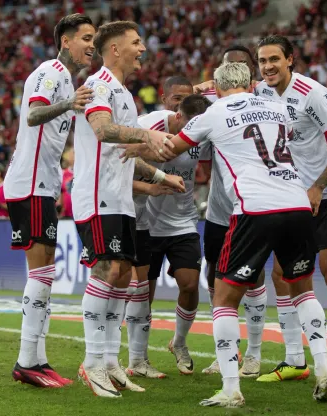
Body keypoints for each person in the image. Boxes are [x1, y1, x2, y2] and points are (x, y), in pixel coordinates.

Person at [137, 62, 327, 407]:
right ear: (250, 82)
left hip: (254, 209)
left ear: (216, 85)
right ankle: (324, 368)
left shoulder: (212, 114)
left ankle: (231, 387)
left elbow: (172, 149)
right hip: (297, 203)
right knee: (303, 290)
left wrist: (135, 143)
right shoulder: (278, 107)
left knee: (224, 299)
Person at [70, 20, 184, 398]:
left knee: (123, 277)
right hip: (97, 194)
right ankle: (91, 363)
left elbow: (128, 150)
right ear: (115, 49)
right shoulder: (99, 85)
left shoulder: (123, 93)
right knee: (108, 271)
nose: (143, 49)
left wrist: (160, 175)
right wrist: (147, 135)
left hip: (120, 198)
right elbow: (103, 130)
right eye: (136, 43)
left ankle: (109, 360)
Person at [255, 35, 327, 386]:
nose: (268, 66)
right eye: (263, 61)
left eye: (275, 59)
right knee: (282, 275)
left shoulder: (313, 93)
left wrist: (318, 185)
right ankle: (294, 360)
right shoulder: (261, 92)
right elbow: (225, 84)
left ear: (290, 59)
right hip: (291, 195)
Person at [3, 13, 96, 389]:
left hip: (42, 185)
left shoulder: (66, 80)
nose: (92, 45)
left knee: (44, 273)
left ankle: (38, 361)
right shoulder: (51, 72)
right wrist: (69, 104)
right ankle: (27, 361)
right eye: (86, 38)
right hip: (29, 184)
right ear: (66, 41)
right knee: (41, 273)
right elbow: (33, 115)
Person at [121, 94, 212, 378]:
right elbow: (120, 165)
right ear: (177, 115)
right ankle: (138, 359)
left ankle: (180, 342)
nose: (192, 133)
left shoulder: (204, 131)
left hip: (183, 221)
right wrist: (151, 187)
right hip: (145, 222)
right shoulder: (147, 127)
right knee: (142, 295)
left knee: (189, 283)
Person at [195, 45, 270, 380]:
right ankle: (227, 351)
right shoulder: (212, 104)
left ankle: (253, 353)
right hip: (220, 208)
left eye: (240, 65)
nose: (234, 70)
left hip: (253, 205)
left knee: (253, 276)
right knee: (215, 275)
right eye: (228, 65)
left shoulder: (268, 101)